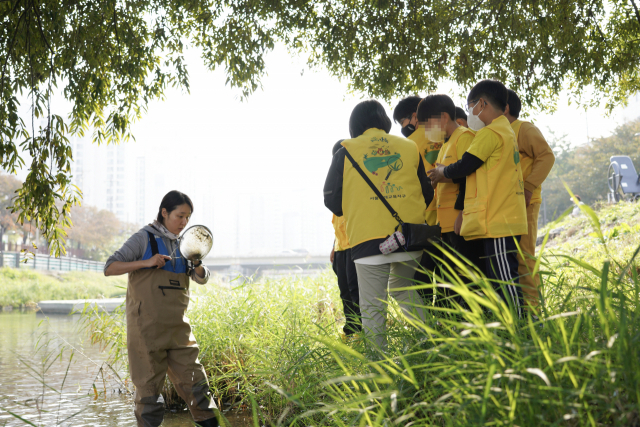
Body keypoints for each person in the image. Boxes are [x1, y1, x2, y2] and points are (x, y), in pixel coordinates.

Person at [324, 99, 434, 351]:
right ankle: (430, 345)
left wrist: (354, 208)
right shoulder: (408, 147)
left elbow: (331, 198)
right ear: (384, 121)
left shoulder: (345, 151)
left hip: (368, 241)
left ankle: (380, 369)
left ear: (355, 125)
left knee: (372, 306)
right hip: (410, 238)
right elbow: (427, 194)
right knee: (403, 288)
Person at [105, 191, 218, 427]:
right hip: (146, 333)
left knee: (199, 390)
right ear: (164, 213)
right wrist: (147, 262)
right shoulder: (144, 238)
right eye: (180, 216)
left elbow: (202, 278)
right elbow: (110, 267)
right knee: (149, 398)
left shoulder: (185, 245)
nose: (184, 222)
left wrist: (197, 261)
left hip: (179, 333)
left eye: (188, 217)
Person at [428, 80, 528, 319]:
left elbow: (466, 164)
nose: (470, 112)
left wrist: (442, 172)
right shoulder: (505, 130)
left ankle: (520, 327)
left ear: (481, 104)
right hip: (499, 218)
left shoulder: (491, 132)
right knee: (498, 279)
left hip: (499, 219)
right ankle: (509, 326)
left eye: (470, 106)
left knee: (505, 279)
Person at [413, 95, 483, 307]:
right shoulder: (445, 144)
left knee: (464, 281)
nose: (426, 131)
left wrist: (462, 211)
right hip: (445, 224)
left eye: (427, 124)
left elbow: (470, 176)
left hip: (460, 222)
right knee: (449, 283)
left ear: (443, 117)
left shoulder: (464, 137)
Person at [505, 89, 555, 310]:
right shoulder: (498, 132)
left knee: (524, 256)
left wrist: (529, 187)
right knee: (510, 258)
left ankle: (533, 310)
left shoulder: (523, 128)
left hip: (525, 202)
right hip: (505, 205)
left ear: (504, 107)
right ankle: (518, 309)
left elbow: (546, 156)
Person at [329, 140, 362, 337]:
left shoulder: (358, 178)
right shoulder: (336, 180)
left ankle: (361, 332)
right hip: (341, 248)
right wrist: (333, 246)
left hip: (355, 244)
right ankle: (351, 330)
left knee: (355, 291)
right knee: (345, 293)